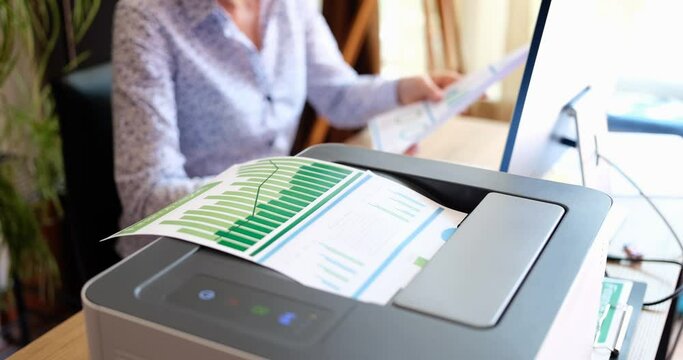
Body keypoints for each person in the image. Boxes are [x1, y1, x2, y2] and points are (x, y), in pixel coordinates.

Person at [113, 0, 458, 257]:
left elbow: (337, 95)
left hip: (272, 226)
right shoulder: (147, 16)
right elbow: (147, 199)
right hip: (181, 248)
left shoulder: (291, 5)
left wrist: (400, 92)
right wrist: (291, 191)